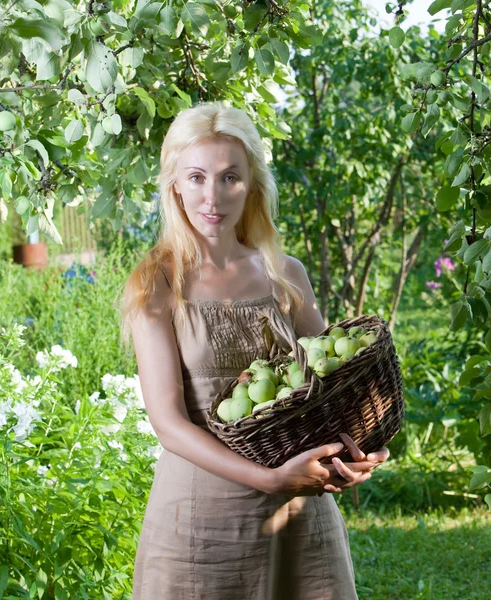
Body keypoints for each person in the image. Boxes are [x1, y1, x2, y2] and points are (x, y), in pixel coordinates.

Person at [120, 101, 390, 600]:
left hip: (300, 518)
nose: (212, 197)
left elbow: (330, 390)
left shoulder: (286, 275)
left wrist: (362, 446)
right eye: (197, 177)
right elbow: (169, 423)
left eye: (229, 178)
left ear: (252, 184)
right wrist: (269, 479)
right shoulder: (155, 283)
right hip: (199, 524)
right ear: (174, 182)